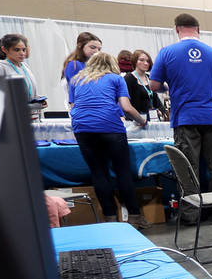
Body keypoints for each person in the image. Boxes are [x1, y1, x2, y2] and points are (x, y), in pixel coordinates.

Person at [150, 13, 212, 219]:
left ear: (176, 29)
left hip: (186, 117)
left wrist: (169, 85)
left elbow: (154, 86)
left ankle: (192, 214)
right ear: (198, 29)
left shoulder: (167, 52)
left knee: (188, 167)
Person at [68, 52, 150, 229]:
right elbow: (126, 107)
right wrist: (142, 121)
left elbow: (74, 107)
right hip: (110, 127)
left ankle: (110, 218)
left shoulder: (76, 80)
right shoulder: (115, 79)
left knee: (98, 173)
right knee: (122, 172)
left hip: (82, 129)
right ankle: (135, 217)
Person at [0, 34, 46, 117]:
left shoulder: (25, 66)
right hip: (14, 119)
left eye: (23, 50)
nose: (22, 53)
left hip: (33, 117)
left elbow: (28, 92)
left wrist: (39, 100)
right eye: (16, 50)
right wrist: (30, 106)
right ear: (4, 49)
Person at [124, 49, 166, 122]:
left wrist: (161, 111)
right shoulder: (129, 79)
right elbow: (126, 103)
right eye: (142, 60)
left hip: (152, 118)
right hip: (137, 120)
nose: (146, 63)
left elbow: (156, 100)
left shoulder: (150, 78)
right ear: (135, 61)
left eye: (148, 61)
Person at [60, 32, 102, 104]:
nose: (96, 51)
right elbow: (76, 91)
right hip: (82, 106)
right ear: (80, 46)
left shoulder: (88, 65)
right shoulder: (75, 65)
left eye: (99, 49)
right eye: (92, 48)